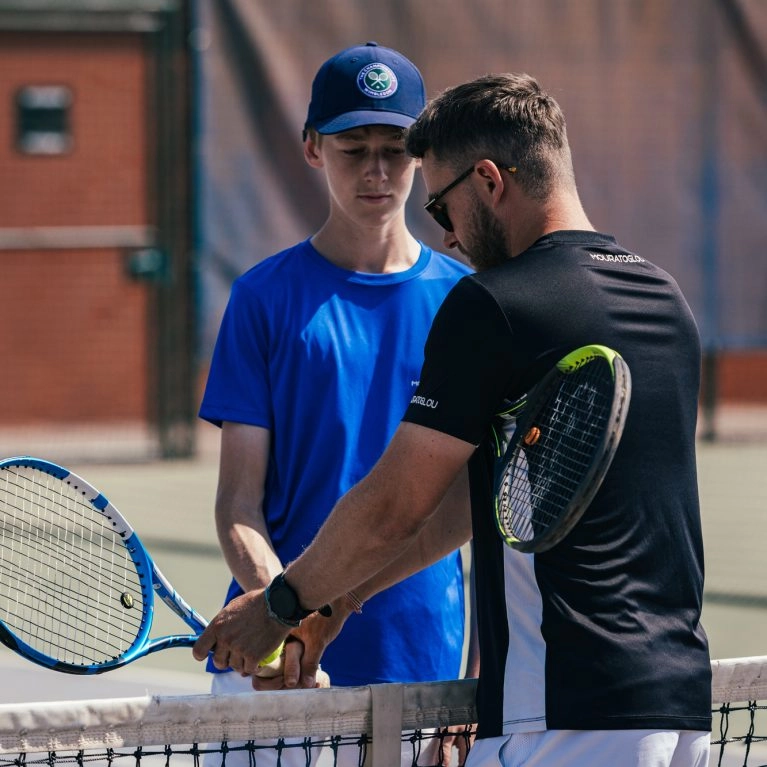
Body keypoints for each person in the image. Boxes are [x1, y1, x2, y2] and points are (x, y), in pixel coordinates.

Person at [194, 72, 712, 767]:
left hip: (560, 712)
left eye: (443, 204)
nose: (450, 235)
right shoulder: (663, 297)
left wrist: (280, 604)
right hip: (678, 708)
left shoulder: (492, 304)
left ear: (490, 181)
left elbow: (397, 504)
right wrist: (340, 602)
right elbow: (488, 504)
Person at [198, 41, 476, 765]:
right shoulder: (262, 298)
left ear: (423, 158)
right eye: (354, 148)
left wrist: (477, 683)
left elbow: (483, 509)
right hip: (270, 675)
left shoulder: (469, 303)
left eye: (396, 148)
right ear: (312, 149)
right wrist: (279, 612)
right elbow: (238, 505)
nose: (377, 171)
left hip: (421, 664)